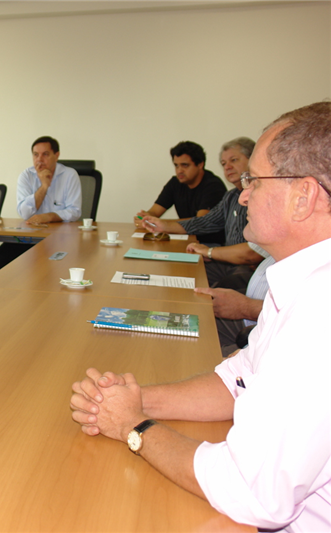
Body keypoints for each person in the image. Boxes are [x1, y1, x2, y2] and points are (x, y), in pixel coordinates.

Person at [71, 102, 331, 532]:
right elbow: (238, 380)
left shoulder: (318, 313)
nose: (243, 194)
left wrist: (135, 426)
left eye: (254, 180)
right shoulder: (300, 284)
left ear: (303, 196)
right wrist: (127, 400)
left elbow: (253, 494)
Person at [138, 138, 266, 288]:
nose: (228, 167)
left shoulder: (263, 196)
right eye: (224, 164)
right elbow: (204, 221)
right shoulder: (231, 196)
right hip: (227, 262)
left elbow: (251, 253)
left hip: (250, 269)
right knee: (178, 272)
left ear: (253, 161)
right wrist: (163, 225)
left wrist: (210, 252)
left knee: (216, 289)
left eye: (234, 160)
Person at [0, 136, 82, 269]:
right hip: (32, 236)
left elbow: (75, 211)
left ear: (56, 155)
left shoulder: (69, 175)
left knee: (53, 263)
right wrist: (44, 186)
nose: (39, 159)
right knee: (1, 257)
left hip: (61, 237)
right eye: (36, 155)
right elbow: (24, 213)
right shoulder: (26, 176)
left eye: (45, 154)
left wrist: (49, 216)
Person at [135, 141, 227, 244]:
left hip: (210, 244)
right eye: (176, 166)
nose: (179, 171)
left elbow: (201, 221)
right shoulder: (175, 183)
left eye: (185, 165)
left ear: (200, 164)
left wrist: (163, 224)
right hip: (185, 240)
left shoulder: (213, 186)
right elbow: (155, 212)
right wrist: (146, 217)